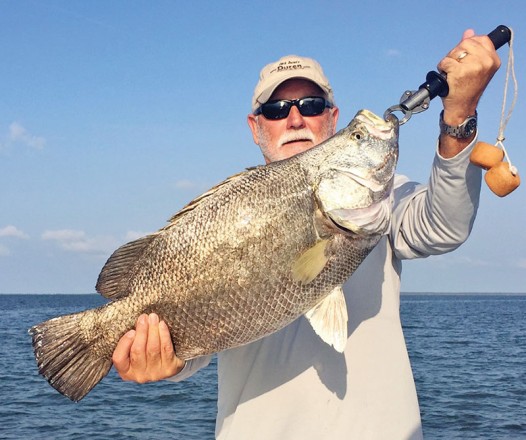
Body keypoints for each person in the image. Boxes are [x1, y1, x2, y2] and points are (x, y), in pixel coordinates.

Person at [112, 29, 500, 439]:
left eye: (311, 105)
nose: (295, 118)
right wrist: (162, 359)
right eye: (277, 109)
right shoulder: (229, 215)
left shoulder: (382, 197)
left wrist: (459, 116)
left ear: (332, 118)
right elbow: (196, 342)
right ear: (255, 127)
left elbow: (443, 226)